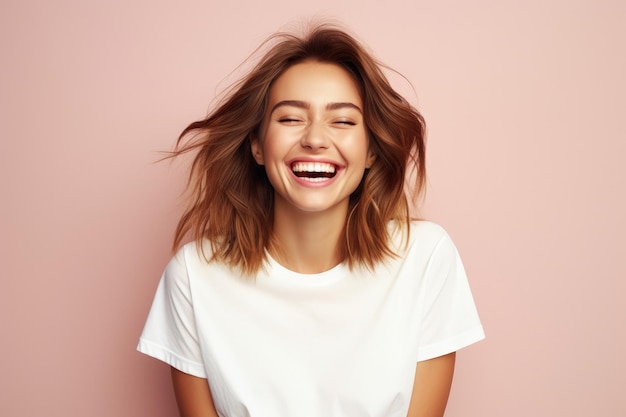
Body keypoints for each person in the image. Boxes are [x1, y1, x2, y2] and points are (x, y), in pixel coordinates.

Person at [138, 23, 484, 417]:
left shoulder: (425, 259)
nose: (316, 139)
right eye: (290, 119)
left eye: (343, 121)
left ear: (371, 149)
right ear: (256, 145)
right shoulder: (195, 276)